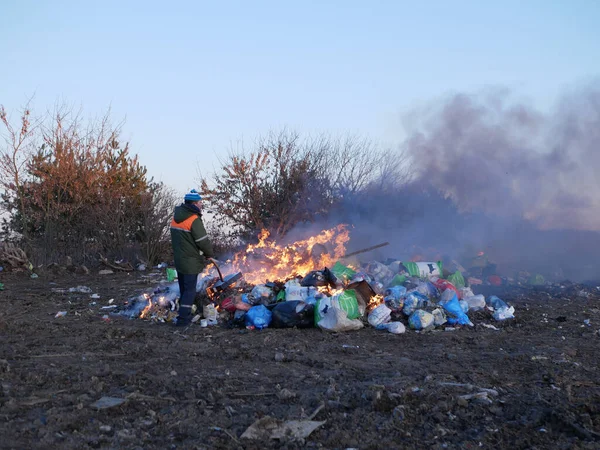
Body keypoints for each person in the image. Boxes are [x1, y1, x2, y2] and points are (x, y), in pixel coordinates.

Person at [170, 189, 215, 326]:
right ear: (194, 203)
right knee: (190, 290)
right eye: (200, 202)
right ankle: (184, 320)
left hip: (179, 260)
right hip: (190, 261)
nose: (201, 205)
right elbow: (202, 240)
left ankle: (183, 315)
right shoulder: (193, 219)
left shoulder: (176, 218)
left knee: (184, 289)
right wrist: (209, 254)